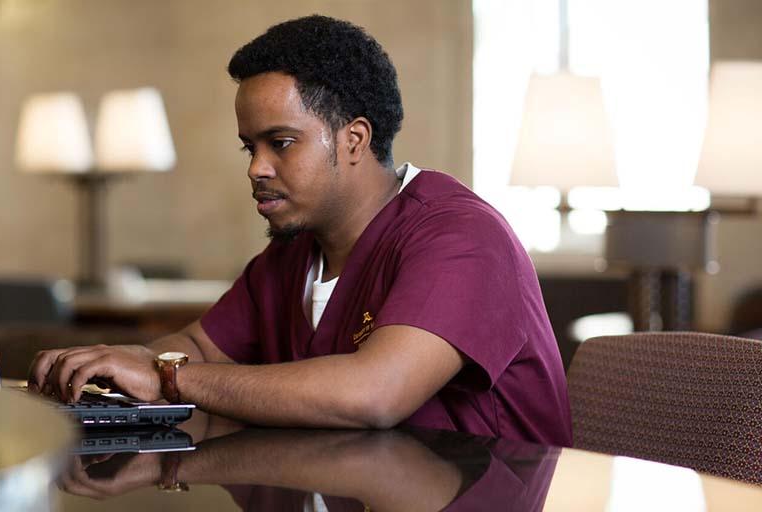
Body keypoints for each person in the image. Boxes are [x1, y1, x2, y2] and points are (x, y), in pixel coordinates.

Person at [29, 14, 572, 446]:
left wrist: (167, 378)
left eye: (280, 143)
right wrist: (114, 365)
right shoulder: (294, 253)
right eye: (250, 147)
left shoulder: (461, 238)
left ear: (354, 139)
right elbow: (198, 345)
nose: (255, 168)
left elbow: (375, 394)